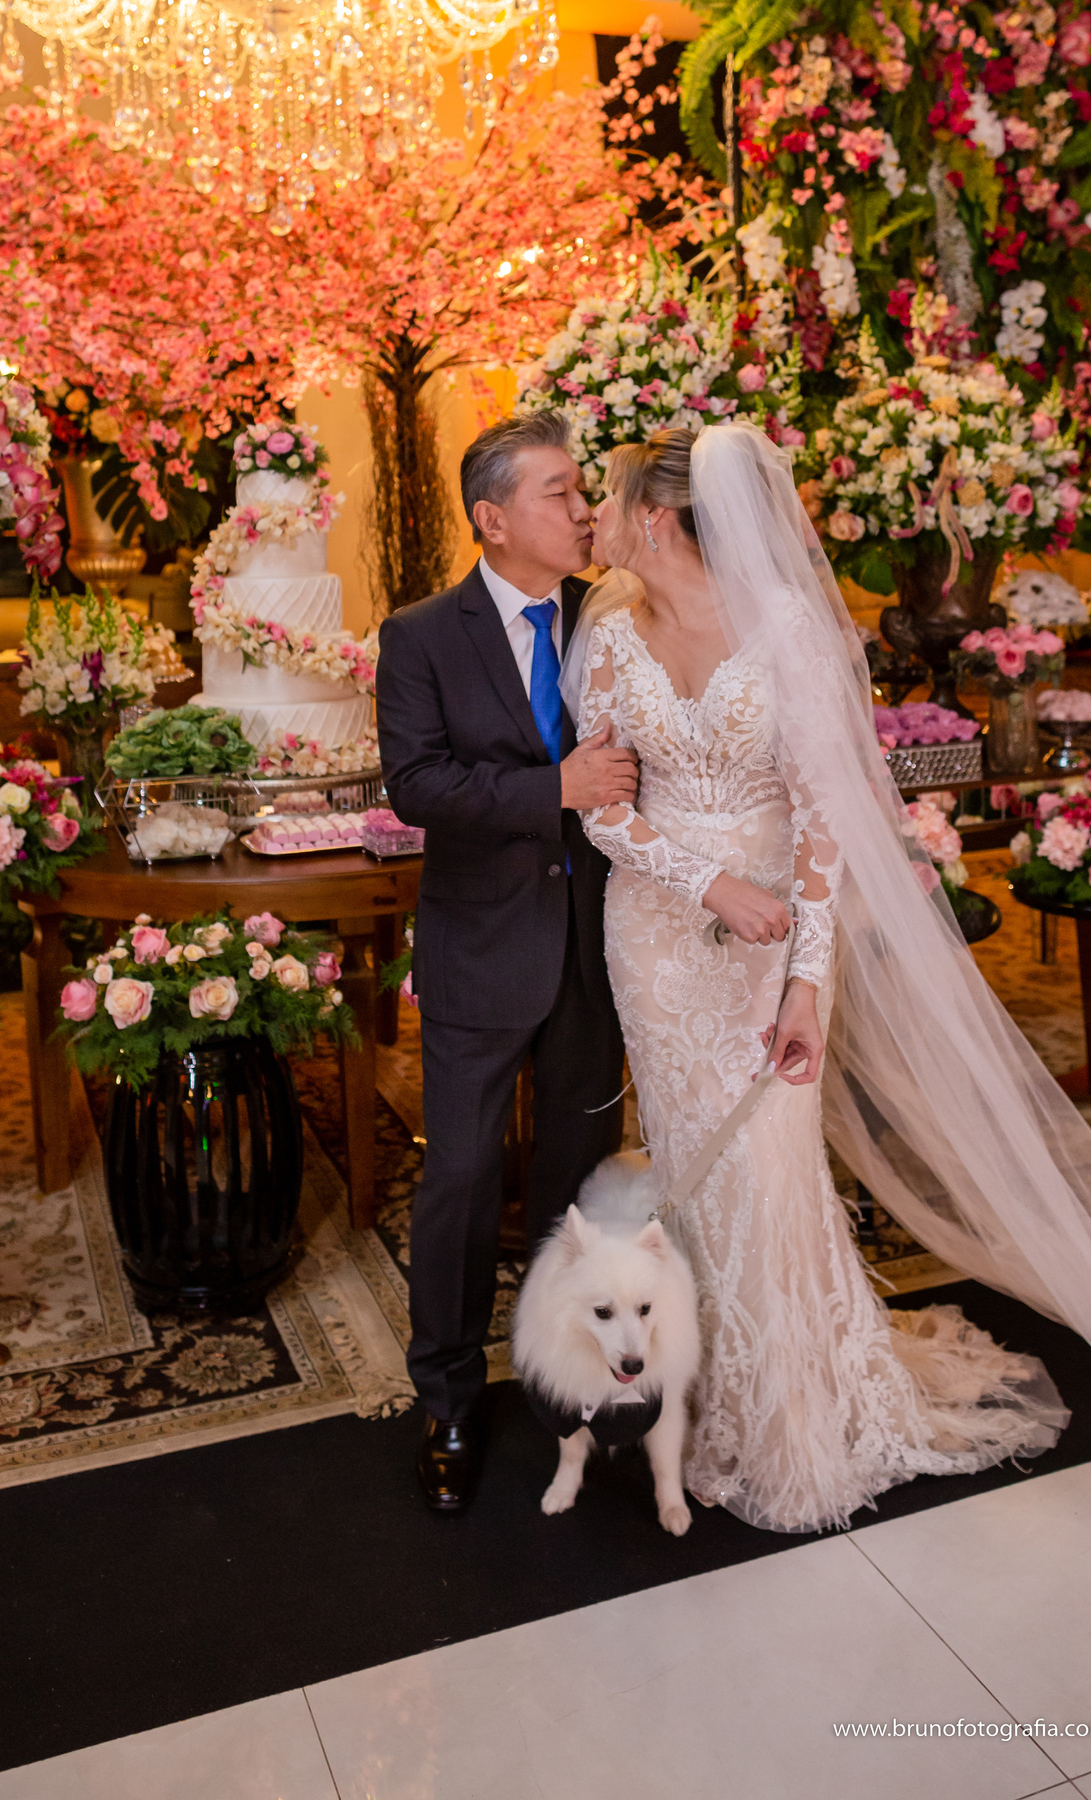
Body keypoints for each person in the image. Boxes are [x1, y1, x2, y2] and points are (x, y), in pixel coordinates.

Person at [562, 422, 1091, 1534]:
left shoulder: (788, 631)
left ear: (657, 520)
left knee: (769, 1163)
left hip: (779, 934)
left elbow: (825, 822)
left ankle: (792, 1410)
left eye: (607, 498)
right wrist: (709, 884)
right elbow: (603, 806)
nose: (593, 518)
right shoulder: (609, 634)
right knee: (690, 1162)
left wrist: (807, 982)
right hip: (656, 935)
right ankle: (707, 1395)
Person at [376, 411, 631, 1513]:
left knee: (578, 1183)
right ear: (493, 517)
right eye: (558, 492)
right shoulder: (421, 635)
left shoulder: (611, 618)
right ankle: (446, 1397)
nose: (583, 509)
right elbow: (417, 786)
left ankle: (568, 1380)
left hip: (595, 949)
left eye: (583, 490)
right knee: (464, 1180)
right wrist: (551, 790)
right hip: (481, 948)